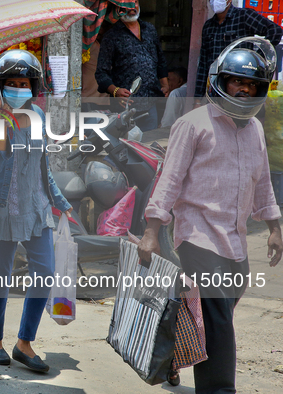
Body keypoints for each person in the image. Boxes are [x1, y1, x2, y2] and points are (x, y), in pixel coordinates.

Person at [138, 37, 283, 393]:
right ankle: (219, 389)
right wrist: (151, 231)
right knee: (218, 321)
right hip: (197, 236)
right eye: (237, 81)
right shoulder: (193, 124)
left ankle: (172, 355)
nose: (244, 90)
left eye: (252, 84)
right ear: (220, 80)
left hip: (235, 242)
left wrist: (275, 227)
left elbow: (263, 181)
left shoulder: (256, 130)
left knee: (211, 314)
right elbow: (168, 181)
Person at [0, 50, 72, 373]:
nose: (19, 88)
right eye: (12, 83)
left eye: (24, 82)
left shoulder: (38, 117)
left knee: (45, 272)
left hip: (36, 207)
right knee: (0, 276)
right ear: (0, 86)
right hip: (1, 207)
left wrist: (60, 200)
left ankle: (24, 342)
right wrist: (3, 124)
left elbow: (41, 165)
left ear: (33, 86)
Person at [95, 0, 169, 131]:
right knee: (125, 146)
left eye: (134, 2)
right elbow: (101, 73)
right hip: (125, 107)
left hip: (150, 103)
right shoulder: (111, 36)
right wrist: (115, 91)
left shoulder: (150, 29)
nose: (132, 7)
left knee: (147, 145)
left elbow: (160, 59)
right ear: (117, 8)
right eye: (126, 4)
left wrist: (164, 83)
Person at [194, 0, 283, 106]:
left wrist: (256, 58)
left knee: (238, 117)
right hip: (216, 87)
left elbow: (275, 31)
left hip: (240, 84)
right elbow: (203, 64)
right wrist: (197, 100)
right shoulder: (208, 26)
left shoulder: (244, 16)